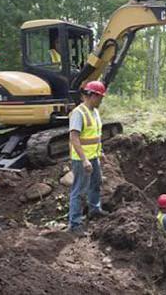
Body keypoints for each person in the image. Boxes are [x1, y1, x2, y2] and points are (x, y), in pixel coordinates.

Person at [67, 80, 109, 235]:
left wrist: (100, 152)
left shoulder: (95, 112)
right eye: (100, 97)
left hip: (93, 156)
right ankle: (75, 224)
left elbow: (94, 135)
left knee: (96, 183)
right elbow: (74, 138)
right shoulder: (79, 113)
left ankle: (94, 209)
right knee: (79, 190)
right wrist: (84, 160)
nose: (101, 101)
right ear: (92, 95)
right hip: (81, 159)